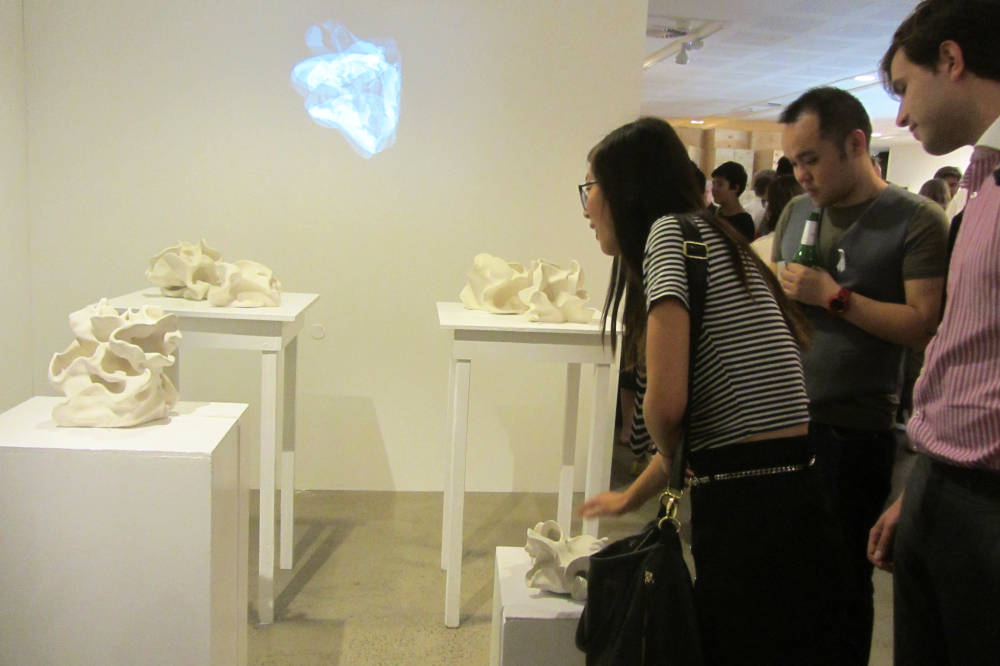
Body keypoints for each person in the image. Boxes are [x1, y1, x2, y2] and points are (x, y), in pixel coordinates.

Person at [577, 117, 852, 665]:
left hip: (748, 507)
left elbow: (667, 408)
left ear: (626, 189)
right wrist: (632, 497)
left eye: (592, 187)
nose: (587, 207)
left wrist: (657, 449)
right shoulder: (713, 235)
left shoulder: (666, 236)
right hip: (791, 491)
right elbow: (701, 427)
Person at [771, 86, 949, 665]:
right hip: (786, 423)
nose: (802, 175)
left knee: (842, 585)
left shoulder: (916, 219)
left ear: (855, 144)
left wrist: (835, 297)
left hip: (855, 432)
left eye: (811, 159)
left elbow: (923, 325)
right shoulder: (797, 212)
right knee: (784, 578)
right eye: (793, 162)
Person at [868, 2, 1000, 664]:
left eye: (903, 88)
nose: (899, 116)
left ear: (950, 60)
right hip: (944, 483)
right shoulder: (982, 181)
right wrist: (923, 484)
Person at [710, 161, 755, 241]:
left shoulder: (744, 222)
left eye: (720, 184)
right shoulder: (713, 214)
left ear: (735, 188)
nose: (714, 189)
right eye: (713, 184)